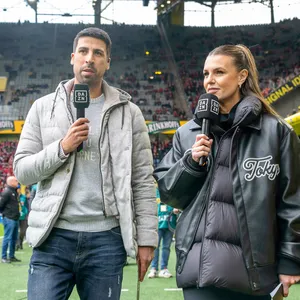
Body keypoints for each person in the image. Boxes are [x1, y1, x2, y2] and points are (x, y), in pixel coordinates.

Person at [13, 27, 157, 300]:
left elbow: (142, 179)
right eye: (83, 51)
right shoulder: (43, 108)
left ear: (107, 62)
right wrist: (62, 147)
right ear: (72, 57)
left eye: (98, 53)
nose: (89, 58)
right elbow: (22, 171)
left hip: (106, 240)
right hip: (53, 237)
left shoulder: (130, 113)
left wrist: (147, 239)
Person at [154, 44, 300, 300]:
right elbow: (169, 195)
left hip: (256, 273)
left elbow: (293, 201)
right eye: (205, 74)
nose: (210, 80)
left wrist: (290, 259)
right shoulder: (187, 134)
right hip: (198, 270)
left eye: (219, 72)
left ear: (242, 76)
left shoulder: (276, 132)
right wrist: (191, 164)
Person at [148, 187, 179, 279]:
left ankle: (164, 268)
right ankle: (153, 269)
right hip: (157, 225)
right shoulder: (154, 192)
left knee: (166, 247)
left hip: (170, 224)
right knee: (155, 247)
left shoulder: (173, 192)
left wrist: (176, 209)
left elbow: (178, 206)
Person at [0, 176, 21, 263]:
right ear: (11, 182)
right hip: (9, 218)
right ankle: (4, 257)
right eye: (16, 181)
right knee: (7, 237)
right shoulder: (7, 192)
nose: (17, 182)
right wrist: (5, 214)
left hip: (15, 218)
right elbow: (1, 205)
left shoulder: (14, 192)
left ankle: (11, 256)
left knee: (14, 238)